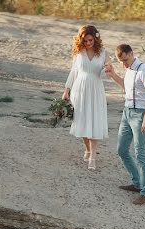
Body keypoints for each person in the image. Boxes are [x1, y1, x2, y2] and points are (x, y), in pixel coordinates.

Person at [104, 44, 145, 205]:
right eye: (121, 61)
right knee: (121, 149)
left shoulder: (143, 70)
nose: (124, 64)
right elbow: (127, 87)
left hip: (140, 114)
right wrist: (113, 74)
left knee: (140, 153)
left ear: (132, 53)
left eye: (125, 60)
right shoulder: (128, 70)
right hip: (127, 112)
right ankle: (137, 183)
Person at [62, 25, 109, 171]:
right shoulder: (79, 53)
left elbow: (108, 69)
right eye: (85, 41)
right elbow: (73, 72)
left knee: (94, 121)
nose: (88, 43)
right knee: (82, 120)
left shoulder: (103, 53)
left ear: (95, 38)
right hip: (79, 89)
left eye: (90, 40)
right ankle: (87, 149)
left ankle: (93, 157)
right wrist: (66, 90)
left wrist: (108, 68)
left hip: (95, 89)